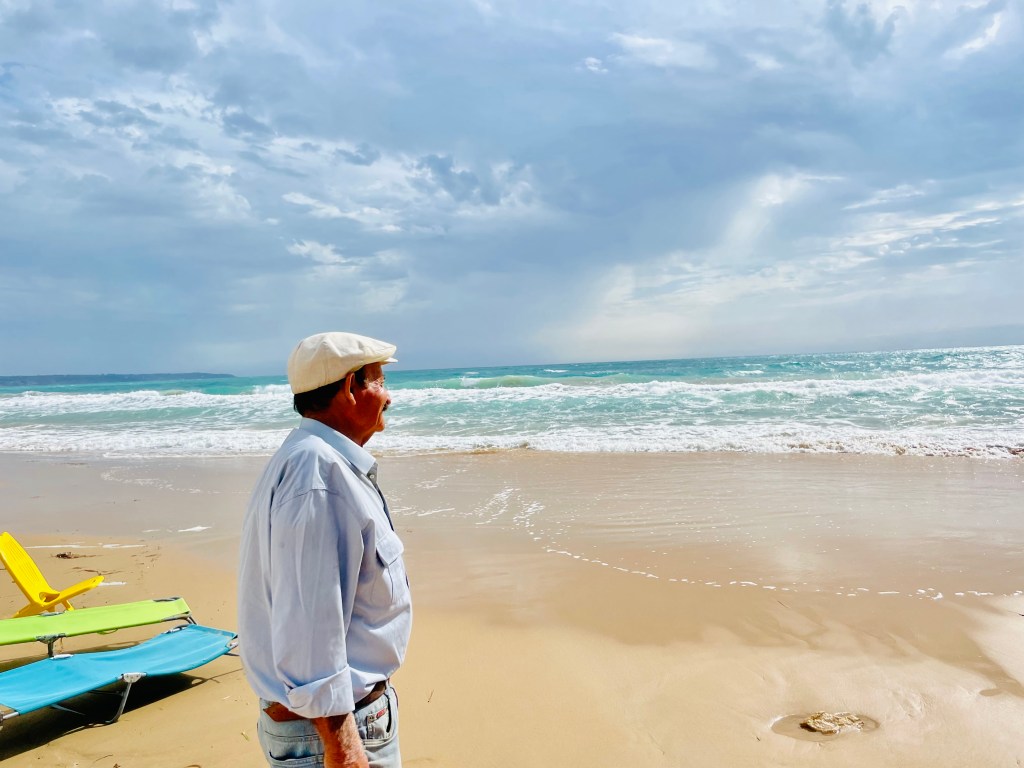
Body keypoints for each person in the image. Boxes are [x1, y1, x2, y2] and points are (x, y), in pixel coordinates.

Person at [238, 331, 412, 768]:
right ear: (351, 388)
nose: (388, 397)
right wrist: (343, 746)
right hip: (333, 732)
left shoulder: (314, 460)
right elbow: (310, 624)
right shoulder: (318, 474)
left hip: (328, 726)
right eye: (378, 381)